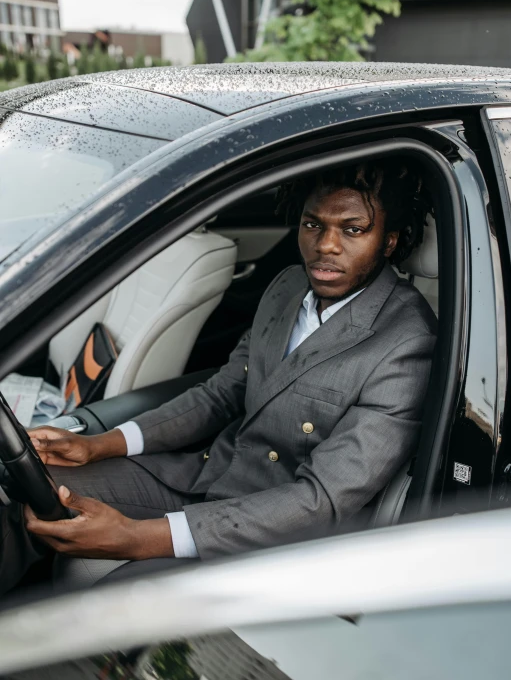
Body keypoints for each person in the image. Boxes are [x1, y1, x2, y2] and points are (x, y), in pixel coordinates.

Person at [0, 159, 437, 595]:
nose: (326, 245)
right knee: (29, 490)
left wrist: (137, 536)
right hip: (205, 477)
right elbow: (222, 394)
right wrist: (99, 445)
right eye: (313, 224)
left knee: (115, 605)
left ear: (389, 241)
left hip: (272, 537)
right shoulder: (288, 285)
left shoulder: (406, 342)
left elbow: (319, 501)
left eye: (353, 229)